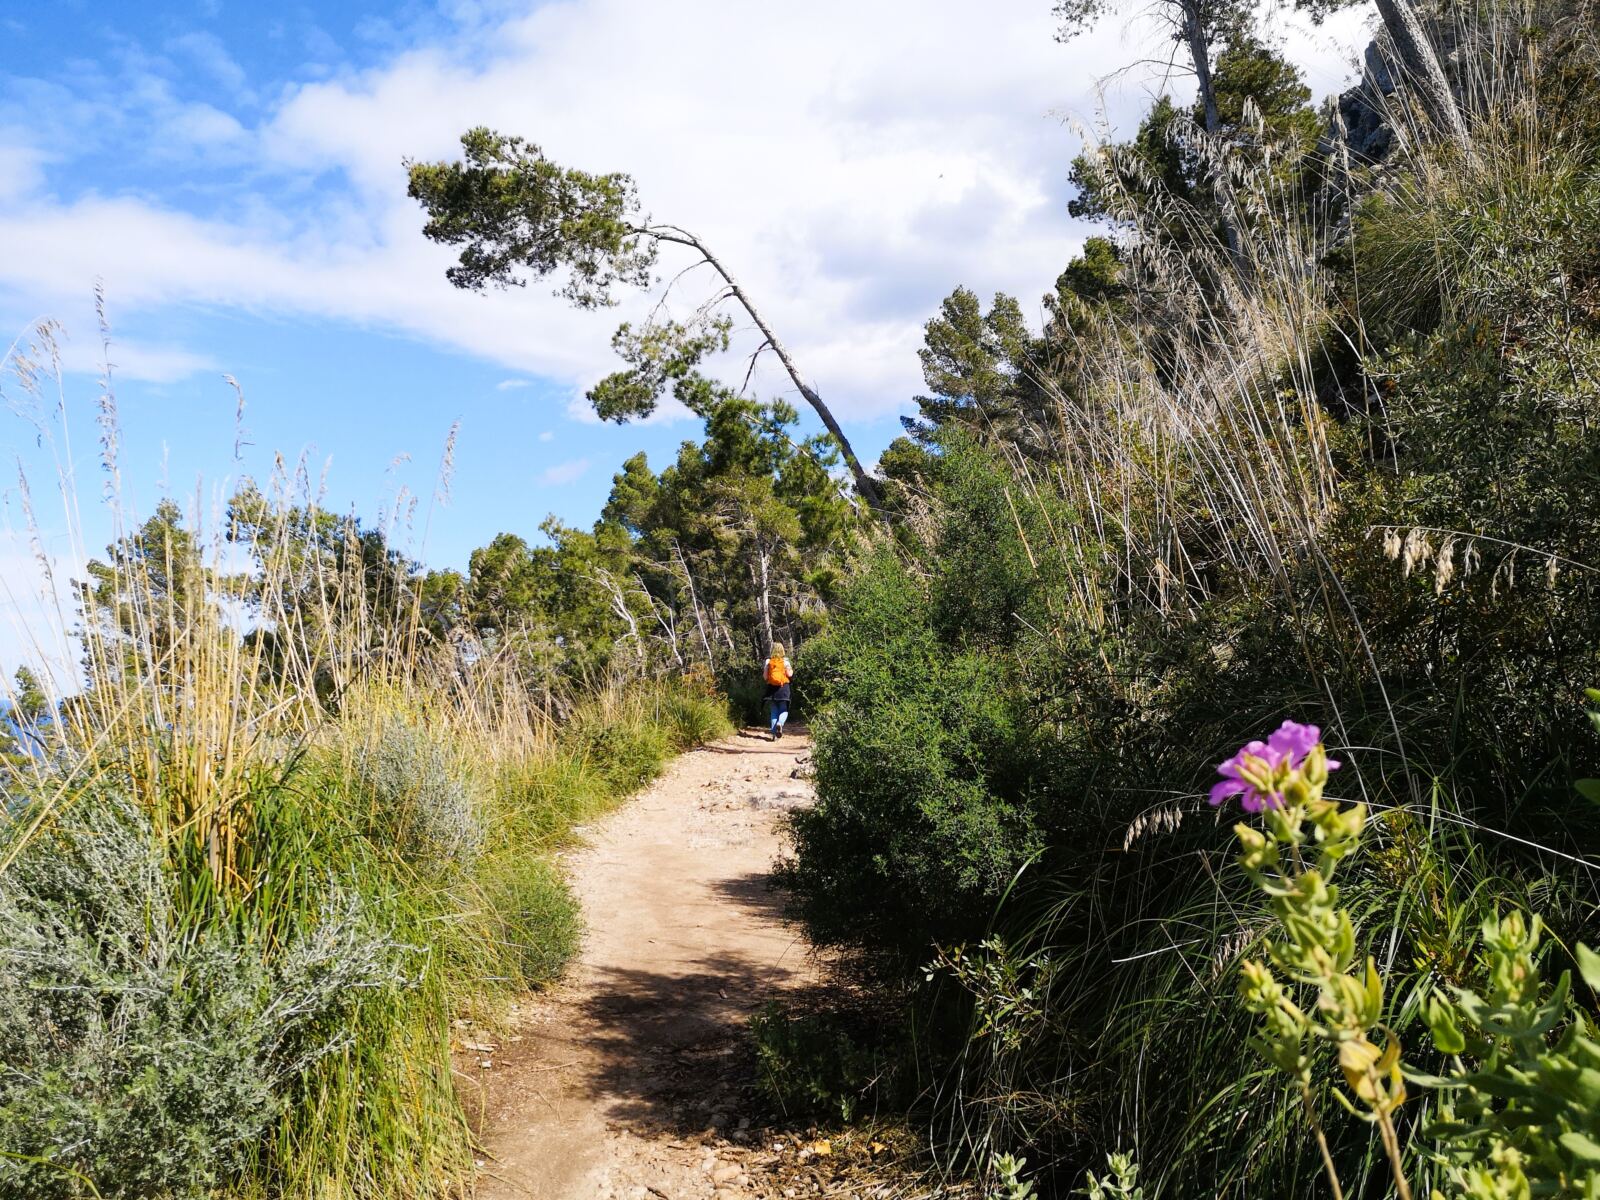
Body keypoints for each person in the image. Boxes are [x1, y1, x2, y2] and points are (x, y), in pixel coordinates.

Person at [762, 642, 793, 740]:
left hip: (772, 689)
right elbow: (789, 674)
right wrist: (791, 670)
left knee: (774, 711)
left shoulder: (768, 661)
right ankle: (780, 723)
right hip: (783, 688)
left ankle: (774, 734)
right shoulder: (785, 661)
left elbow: (765, 677)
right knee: (784, 709)